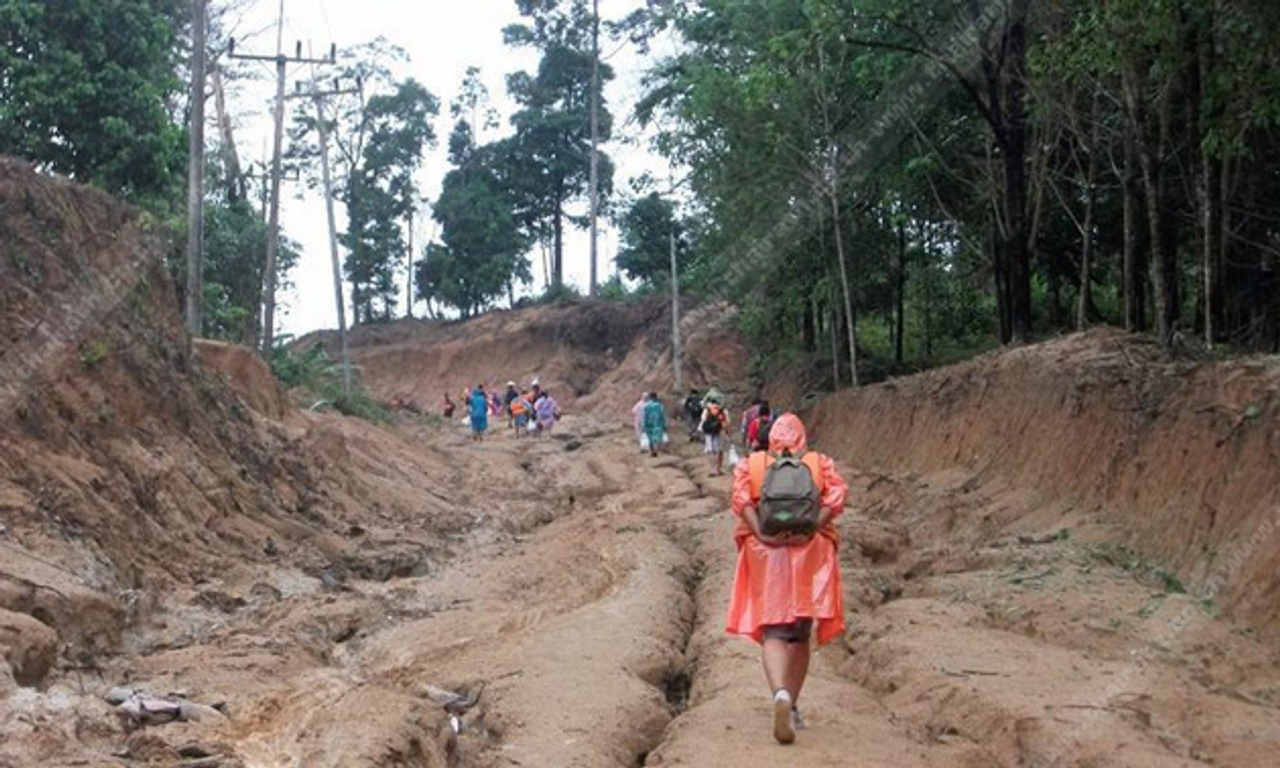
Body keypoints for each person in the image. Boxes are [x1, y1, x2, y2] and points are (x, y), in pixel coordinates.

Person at [725, 413, 848, 745]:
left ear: (770, 439)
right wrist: (811, 527)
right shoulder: (819, 463)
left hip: (765, 554)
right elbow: (837, 497)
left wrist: (764, 535)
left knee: (774, 632)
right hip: (812, 553)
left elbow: (739, 500)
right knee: (799, 633)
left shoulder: (751, 465)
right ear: (802, 438)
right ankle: (792, 705)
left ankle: (779, 693)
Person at [700, 395, 730, 475]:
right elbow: (726, 423)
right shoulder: (722, 411)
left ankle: (712, 469)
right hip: (719, 432)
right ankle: (718, 469)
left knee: (711, 451)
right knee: (719, 451)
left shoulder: (707, 410)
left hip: (709, 433)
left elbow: (703, 421)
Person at [642, 392, 667, 458]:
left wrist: (643, 425)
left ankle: (651, 451)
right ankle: (656, 451)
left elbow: (644, 416)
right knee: (657, 437)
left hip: (649, 423)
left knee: (650, 438)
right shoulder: (660, 406)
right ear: (656, 397)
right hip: (658, 423)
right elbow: (663, 415)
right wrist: (665, 424)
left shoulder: (646, 405)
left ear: (650, 397)